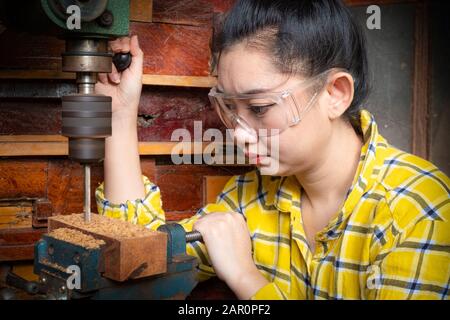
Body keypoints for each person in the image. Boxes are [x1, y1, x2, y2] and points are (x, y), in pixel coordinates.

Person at [94, 0, 450, 299]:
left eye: (260, 108)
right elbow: (140, 258)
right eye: (230, 109)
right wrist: (120, 116)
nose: (241, 136)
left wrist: (247, 279)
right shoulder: (249, 199)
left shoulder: (416, 209)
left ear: (335, 93)